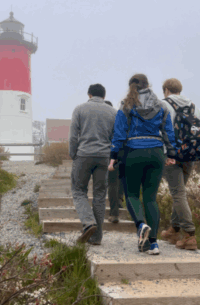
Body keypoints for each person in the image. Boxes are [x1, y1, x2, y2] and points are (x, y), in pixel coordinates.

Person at [109, 74, 178, 254]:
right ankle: (153, 244)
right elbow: (168, 131)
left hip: (133, 152)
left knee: (132, 194)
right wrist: (171, 153)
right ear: (148, 85)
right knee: (150, 198)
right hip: (156, 153)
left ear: (131, 86)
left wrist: (114, 156)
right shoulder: (161, 105)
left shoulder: (126, 105)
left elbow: (119, 133)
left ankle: (141, 225)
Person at [160, 78, 200, 251]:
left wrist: (164, 152)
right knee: (179, 193)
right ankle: (174, 230)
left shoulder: (163, 105)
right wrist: (193, 150)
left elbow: (159, 131)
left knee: (178, 193)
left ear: (166, 90)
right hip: (190, 156)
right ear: (180, 90)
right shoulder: (194, 107)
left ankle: (189, 234)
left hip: (171, 156)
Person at [69, 84, 117, 244]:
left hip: (83, 155)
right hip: (104, 157)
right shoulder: (113, 112)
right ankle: (96, 238)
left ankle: (88, 222)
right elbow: (115, 137)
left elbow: (73, 136)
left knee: (78, 190)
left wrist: (73, 154)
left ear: (89, 95)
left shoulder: (79, 109)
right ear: (104, 96)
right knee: (100, 195)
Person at [105, 101, 123, 223]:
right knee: (120, 178)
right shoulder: (118, 116)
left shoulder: (103, 119)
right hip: (124, 149)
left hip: (112, 151)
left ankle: (114, 213)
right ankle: (120, 200)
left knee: (112, 182)